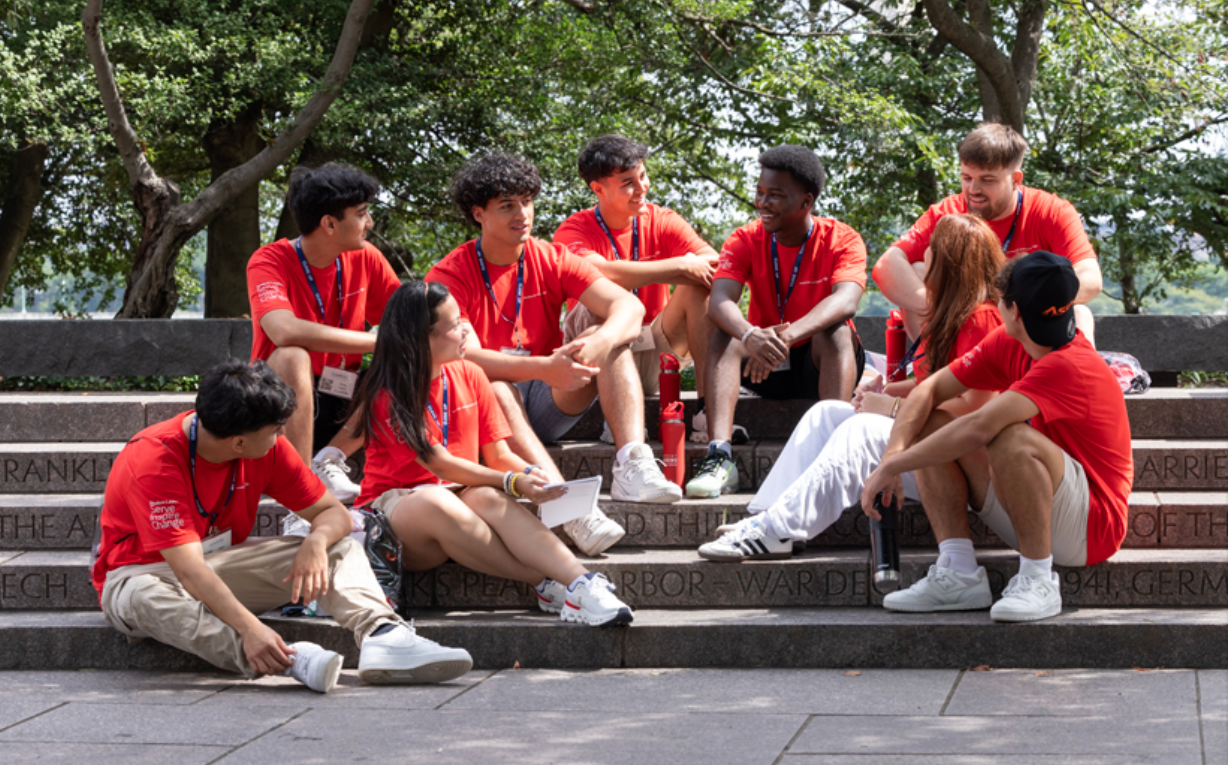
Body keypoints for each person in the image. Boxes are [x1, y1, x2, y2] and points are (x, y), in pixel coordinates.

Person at [92, 359, 474, 693]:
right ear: (239, 443)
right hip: (139, 574)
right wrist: (251, 629)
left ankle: (384, 636)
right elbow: (188, 570)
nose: (281, 437)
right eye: (275, 430)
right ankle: (285, 659)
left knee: (340, 547)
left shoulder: (267, 447)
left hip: (216, 564)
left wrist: (315, 541)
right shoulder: (155, 460)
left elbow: (334, 514)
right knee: (144, 598)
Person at [699, 214, 1003, 560]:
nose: (922, 259)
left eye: (931, 251)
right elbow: (941, 384)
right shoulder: (951, 315)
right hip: (934, 447)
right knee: (826, 413)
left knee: (860, 430)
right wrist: (889, 390)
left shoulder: (981, 318)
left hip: (958, 464)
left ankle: (777, 530)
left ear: (948, 263)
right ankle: (766, 515)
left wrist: (889, 408)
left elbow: (978, 407)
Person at [426, 152, 682, 557]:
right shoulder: (449, 274)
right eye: (507, 206)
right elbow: (463, 355)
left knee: (607, 334)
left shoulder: (550, 256)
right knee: (496, 386)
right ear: (479, 213)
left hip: (550, 396)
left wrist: (596, 345)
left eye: (527, 202)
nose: (522, 214)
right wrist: (543, 367)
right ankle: (567, 504)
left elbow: (629, 308)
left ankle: (633, 462)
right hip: (488, 412)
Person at [861, 251, 1133, 622]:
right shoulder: (1010, 342)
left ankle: (1038, 579)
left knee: (1011, 438)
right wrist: (894, 454)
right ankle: (958, 573)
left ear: (1013, 309)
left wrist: (890, 466)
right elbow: (928, 390)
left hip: (1091, 529)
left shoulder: (1070, 364)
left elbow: (979, 426)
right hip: (1041, 503)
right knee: (929, 420)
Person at [350, 281, 635, 626]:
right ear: (422, 338)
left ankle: (583, 583)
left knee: (487, 497)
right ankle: (543, 582)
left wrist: (531, 476)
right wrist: (512, 481)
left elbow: (499, 454)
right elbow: (438, 462)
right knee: (438, 502)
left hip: (458, 500)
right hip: (397, 513)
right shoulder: (389, 391)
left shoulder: (470, 373)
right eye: (454, 325)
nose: (465, 329)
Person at [687, 144, 867, 499]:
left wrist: (784, 337)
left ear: (806, 201)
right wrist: (751, 335)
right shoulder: (743, 239)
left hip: (820, 363)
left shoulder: (842, 238)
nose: (762, 203)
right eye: (760, 193)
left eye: (776, 195)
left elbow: (846, 300)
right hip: (762, 365)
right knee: (726, 334)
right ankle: (719, 456)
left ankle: (829, 456)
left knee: (836, 332)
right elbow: (720, 300)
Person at [247, 162, 400, 503]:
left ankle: (328, 459)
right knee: (291, 354)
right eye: (361, 214)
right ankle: (301, 496)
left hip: (344, 398)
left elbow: (407, 320)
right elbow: (282, 329)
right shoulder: (269, 260)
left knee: (407, 358)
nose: (369, 223)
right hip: (279, 401)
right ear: (329, 223)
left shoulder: (368, 258)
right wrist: (378, 339)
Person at [872, 122, 1101, 345]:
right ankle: (932, 372)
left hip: (1027, 324)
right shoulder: (947, 212)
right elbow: (886, 266)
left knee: (1079, 313)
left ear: (1015, 180)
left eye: (987, 180)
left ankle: (1069, 381)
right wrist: (935, 306)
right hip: (966, 327)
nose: (973, 190)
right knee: (919, 270)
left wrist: (1019, 303)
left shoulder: (1052, 211)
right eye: (966, 178)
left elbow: (1090, 279)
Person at [553, 134, 719, 440]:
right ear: (598, 189)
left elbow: (711, 263)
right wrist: (679, 266)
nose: (641, 187)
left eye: (643, 176)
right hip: (599, 354)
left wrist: (683, 271)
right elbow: (597, 272)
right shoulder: (574, 229)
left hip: (656, 344)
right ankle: (618, 421)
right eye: (628, 182)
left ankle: (709, 412)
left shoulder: (663, 220)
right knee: (602, 297)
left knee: (700, 288)